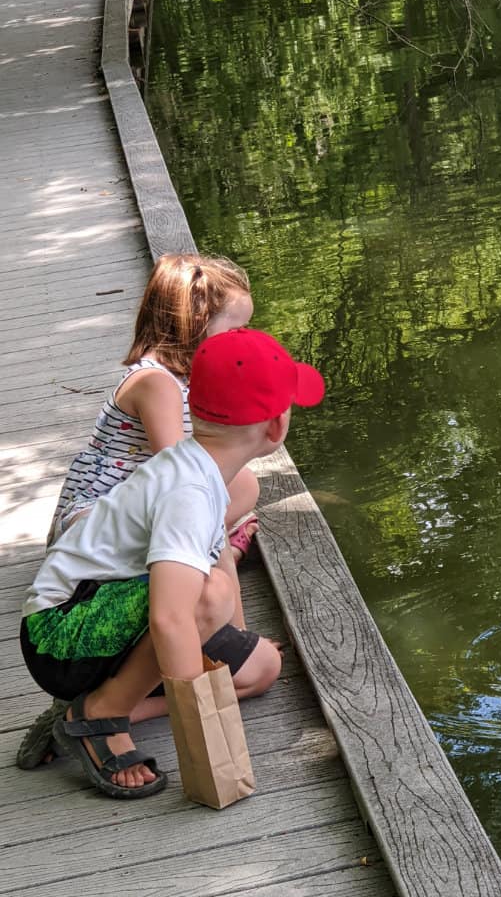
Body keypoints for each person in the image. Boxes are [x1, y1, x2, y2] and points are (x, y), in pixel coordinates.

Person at [18, 328, 325, 799]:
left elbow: (212, 557)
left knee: (261, 669)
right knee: (206, 598)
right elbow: (170, 616)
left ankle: (95, 711)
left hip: (109, 610)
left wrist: (234, 644)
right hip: (60, 636)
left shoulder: (200, 469)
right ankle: (99, 717)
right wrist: (199, 732)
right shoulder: (189, 492)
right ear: (275, 428)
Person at [48, 252, 260, 562]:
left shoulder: (184, 377)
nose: (243, 339)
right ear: (196, 324)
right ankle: (211, 553)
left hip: (140, 502)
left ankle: (201, 549)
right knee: (230, 485)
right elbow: (178, 468)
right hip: (96, 519)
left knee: (242, 483)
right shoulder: (156, 383)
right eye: (234, 331)